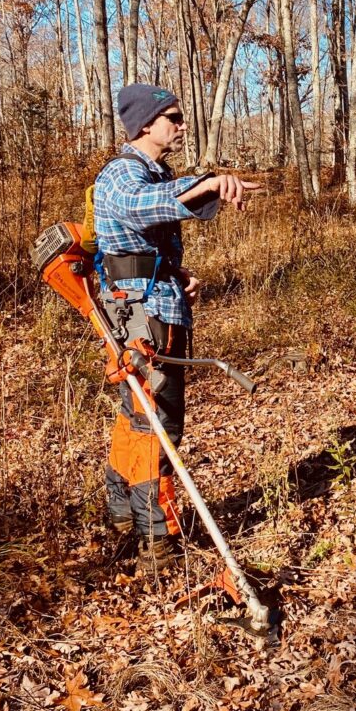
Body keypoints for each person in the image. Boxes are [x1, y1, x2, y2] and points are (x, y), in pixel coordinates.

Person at [93, 83, 260, 570]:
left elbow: (136, 237)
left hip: (148, 307)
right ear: (146, 124)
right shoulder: (124, 173)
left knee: (137, 417)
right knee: (156, 425)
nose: (181, 126)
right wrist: (205, 182)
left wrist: (175, 272)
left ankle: (123, 518)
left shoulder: (152, 172)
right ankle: (156, 539)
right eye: (174, 118)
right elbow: (140, 205)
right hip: (143, 320)